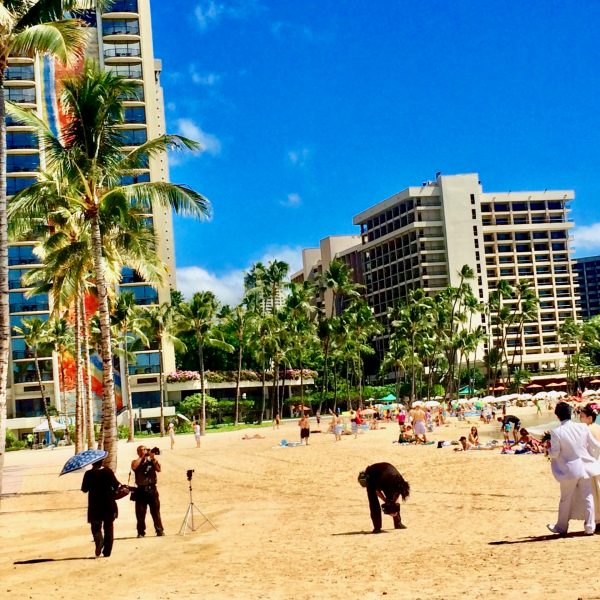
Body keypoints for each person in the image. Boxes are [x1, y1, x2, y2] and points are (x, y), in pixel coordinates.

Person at [546, 402, 600, 536]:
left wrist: (547, 450)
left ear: (557, 416)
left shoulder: (556, 432)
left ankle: (561, 527)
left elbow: (555, 453)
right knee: (588, 497)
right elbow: (595, 445)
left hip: (569, 470)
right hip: (586, 466)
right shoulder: (582, 427)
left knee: (565, 499)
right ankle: (589, 527)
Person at [81, 459, 121, 557]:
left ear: (92, 463)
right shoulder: (108, 471)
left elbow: (84, 489)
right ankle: (107, 552)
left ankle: (98, 538)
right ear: (102, 462)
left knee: (95, 526)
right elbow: (116, 486)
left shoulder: (88, 473)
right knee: (109, 528)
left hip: (95, 505)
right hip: (108, 504)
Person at [359, 462, 410, 533]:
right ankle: (384, 526)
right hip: (379, 475)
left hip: (386, 474)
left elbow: (395, 494)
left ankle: (391, 524)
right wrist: (387, 501)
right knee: (379, 502)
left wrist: (390, 502)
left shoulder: (398, 482)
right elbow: (378, 491)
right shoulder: (377, 480)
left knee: (382, 502)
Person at [131, 445, 165, 538]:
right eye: (142, 450)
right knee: (140, 513)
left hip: (152, 489)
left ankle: (159, 530)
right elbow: (134, 467)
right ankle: (141, 532)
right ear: (138, 452)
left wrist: (153, 458)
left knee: (155, 512)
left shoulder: (151, 461)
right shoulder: (135, 461)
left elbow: (158, 469)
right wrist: (141, 457)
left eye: (146, 450)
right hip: (141, 490)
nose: (145, 451)